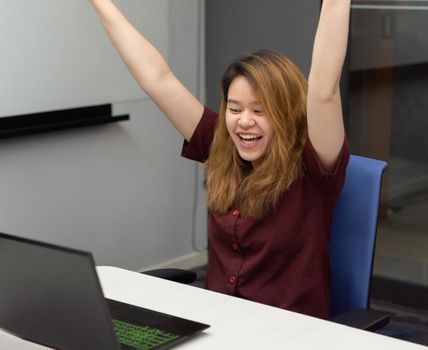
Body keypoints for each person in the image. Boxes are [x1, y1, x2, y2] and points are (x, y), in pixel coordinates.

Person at [89, 0, 351, 319]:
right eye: (235, 108)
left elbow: (324, 89)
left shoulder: (313, 166)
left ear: (286, 113)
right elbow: (157, 79)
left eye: (259, 110)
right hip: (218, 323)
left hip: (287, 333)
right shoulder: (221, 144)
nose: (243, 122)